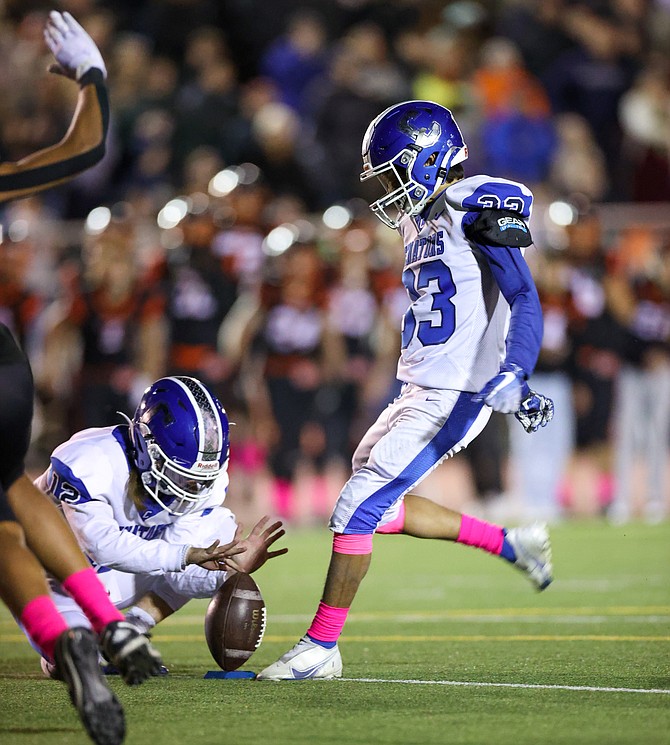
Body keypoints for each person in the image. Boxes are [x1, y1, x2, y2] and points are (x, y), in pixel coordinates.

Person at [257, 100, 555, 680]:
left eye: (394, 173)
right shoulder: (420, 218)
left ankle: (321, 648)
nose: (385, 191)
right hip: (417, 388)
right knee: (380, 503)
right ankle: (513, 545)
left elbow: (524, 295)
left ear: (427, 160)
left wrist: (517, 371)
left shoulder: (471, 204)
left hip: (455, 394)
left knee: (355, 507)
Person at [0, 12, 165, 745]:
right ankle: (109, 623)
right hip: (3, 365)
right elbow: (88, 147)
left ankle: (57, 635)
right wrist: (93, 73)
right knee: (7, 488)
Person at [33, 375, 287, 677]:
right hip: (53, 579)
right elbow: (102, 547)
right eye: (179, 475)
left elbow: (183, 572)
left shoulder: (203, 478)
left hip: (117, 574)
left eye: (197, 479)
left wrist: (231, 567)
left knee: (219, 530)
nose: (191, 489)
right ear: (144, 447)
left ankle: (133, 627)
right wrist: (186, 555)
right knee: (77, 657)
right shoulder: (91, 462)